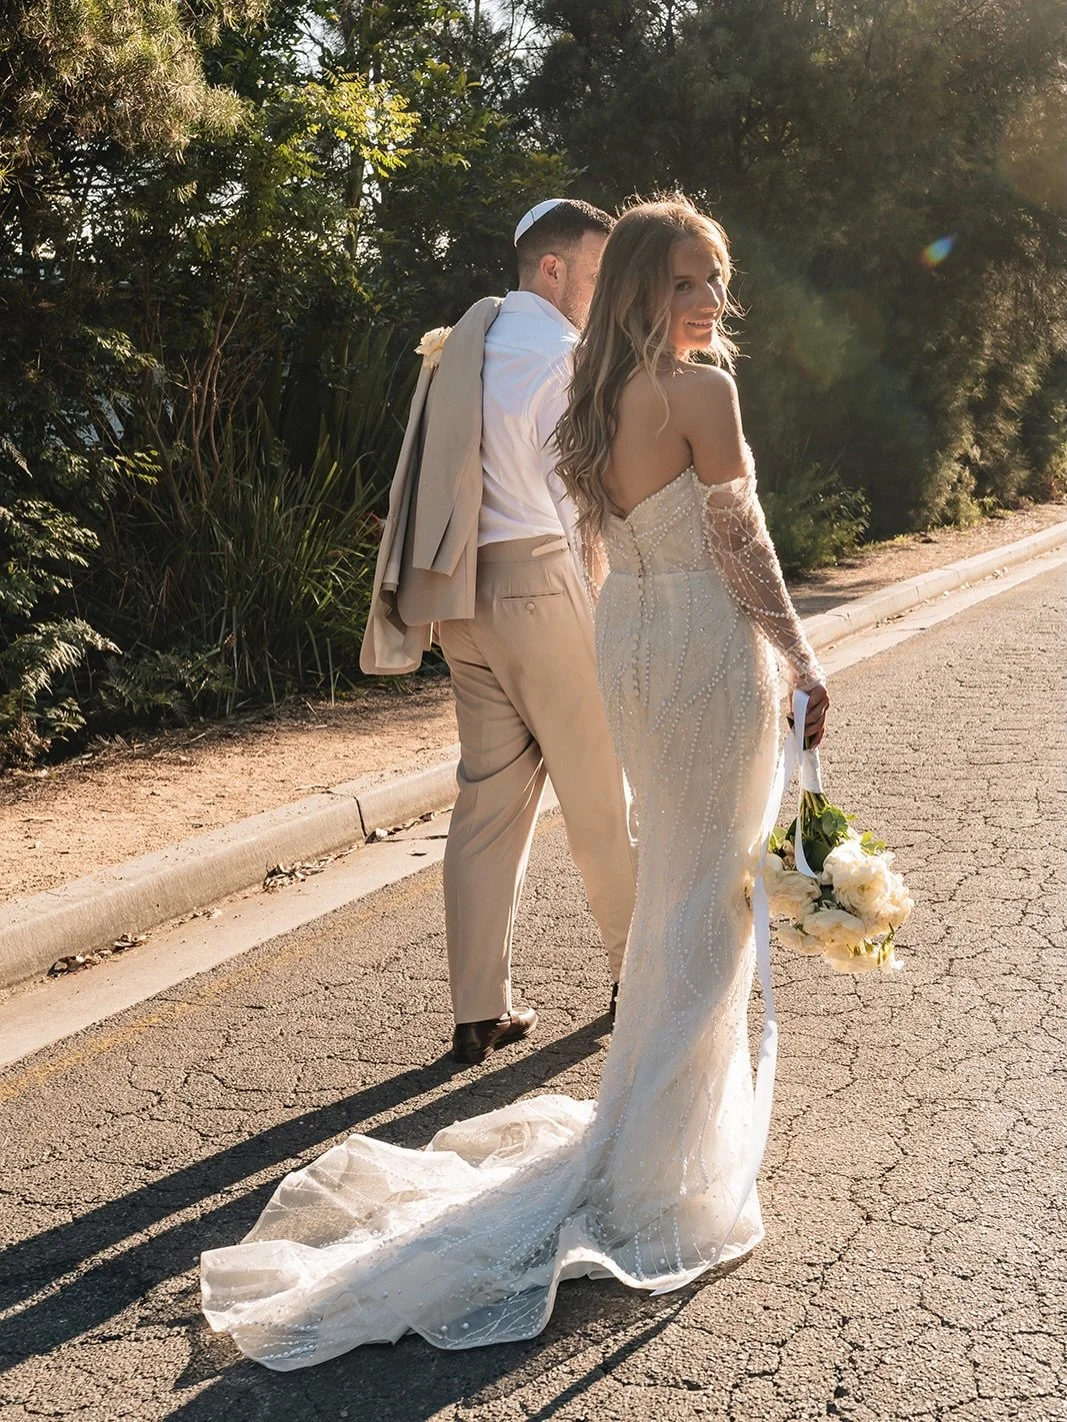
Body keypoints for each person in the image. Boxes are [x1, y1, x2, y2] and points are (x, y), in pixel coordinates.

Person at [200, 195, 830, 1368]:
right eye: (689, 282)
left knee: (681, 879)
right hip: (695, 646)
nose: (711, 304)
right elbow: (742, 546)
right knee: (705, 890)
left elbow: (600, 537)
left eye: (716, 282)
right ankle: (660, 1164)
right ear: (640, 285)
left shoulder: (589, 401)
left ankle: (634, 1125)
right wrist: (799, 658)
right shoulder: (703, 394)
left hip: (628, 641)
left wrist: (626, 627)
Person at [359, 198, 636, 1066]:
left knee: (485, 807)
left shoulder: (466, 346)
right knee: (598, 792)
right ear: (551, 269)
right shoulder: (563, 356)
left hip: (462, 599)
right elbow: (576, 498)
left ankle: (478, 1011)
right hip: (545, 586)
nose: (598, 295)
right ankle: (639, 977)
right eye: (593, 275)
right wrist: (610, 611)